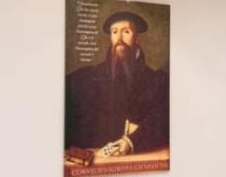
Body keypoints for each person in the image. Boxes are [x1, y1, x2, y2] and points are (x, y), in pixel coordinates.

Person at [65, 10, 168, 157]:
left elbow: (163, 120)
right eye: (114, 32)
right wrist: (121, 127)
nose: (119, 38)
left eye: (126, 31)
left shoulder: (157, 80)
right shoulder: (87, 77)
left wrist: (132, 141)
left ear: (137, 38)